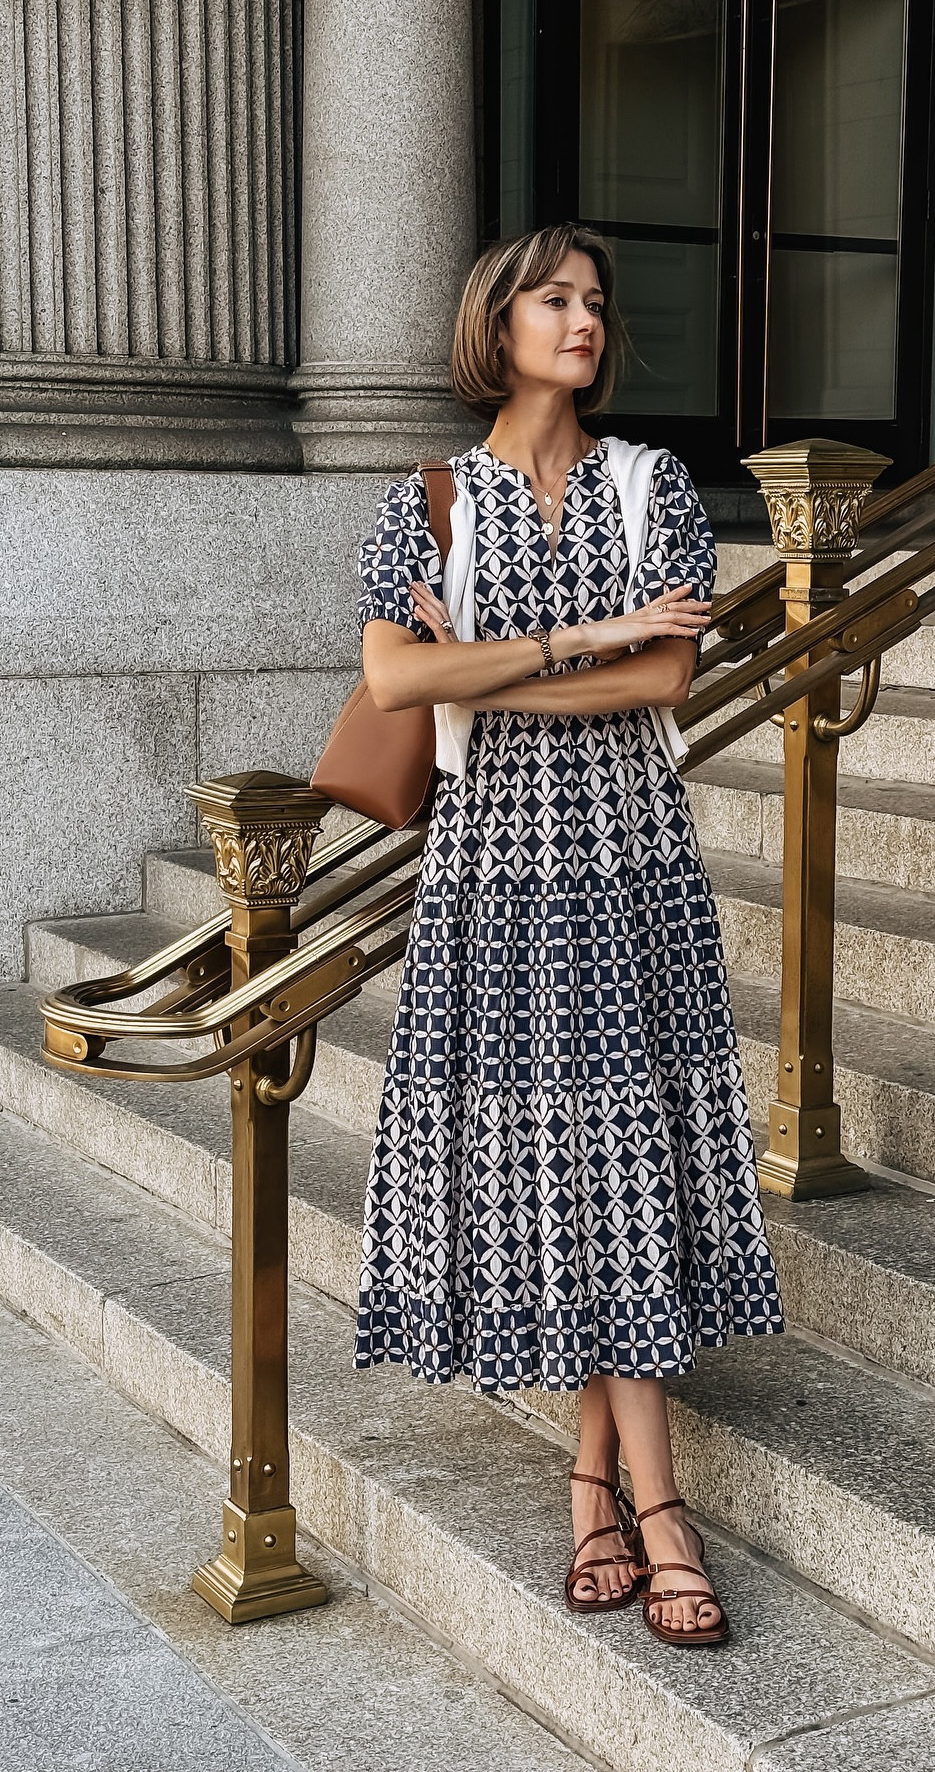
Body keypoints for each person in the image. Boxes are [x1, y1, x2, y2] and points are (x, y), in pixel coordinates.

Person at [352, 221, 785, 1647]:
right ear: (499, 323)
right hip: (492, 867)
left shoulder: (657, 486)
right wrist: (580, 639)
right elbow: (393, 679)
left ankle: (613, 1492)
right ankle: (642, 1505)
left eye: (596, 299)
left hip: (628, 853)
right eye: (554, 298)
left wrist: (480, 668)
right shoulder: (427, 500)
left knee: (619, 1158)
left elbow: (665, 680)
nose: (585, 319)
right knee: (564, 1163)